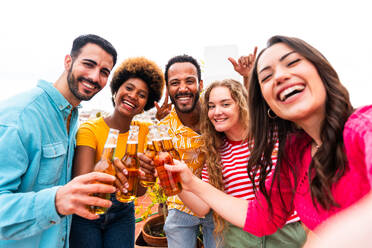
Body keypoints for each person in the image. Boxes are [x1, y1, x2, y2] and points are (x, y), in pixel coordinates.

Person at [165, 35, 372, 237]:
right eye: (266, 77)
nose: (280, 76)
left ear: (321, 69)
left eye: (292, 62)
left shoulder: (362, 126)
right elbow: (261, 217)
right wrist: (189, 181)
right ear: (267, 102)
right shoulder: (293, 153)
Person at [0, 34, 119, 247]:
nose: (94, 77)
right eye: (88, 64)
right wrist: (56, 201)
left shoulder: (71, 117)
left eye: (104, 72)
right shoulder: (19, 117)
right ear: (68, 61)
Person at [177, 78, 306, 247]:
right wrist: (175, 182)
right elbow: (202, 208)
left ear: (242, 105)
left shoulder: (272, 136)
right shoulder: (215, 153)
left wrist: (251, 77)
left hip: (285, 234)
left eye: (225, 104)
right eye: (211, 106)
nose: (216, 112)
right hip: (240, 238)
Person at [69, 57, 164, 248]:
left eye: (142, 94)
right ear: (116, 90)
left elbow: (139, 191)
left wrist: (146, 177)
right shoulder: (90, 129)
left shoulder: (144, 131)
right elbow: (82, 183)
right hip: (88, 212)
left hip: (122, 213)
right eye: (128, 88)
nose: (133, 96)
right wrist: (114, 175)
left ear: (146, 103)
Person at [139, 54, 219, 248]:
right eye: (175, 83)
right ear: (168, 88)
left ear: (200, 85)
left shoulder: (216, 116)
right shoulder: (162, 128)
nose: (183, 88)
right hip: (180, 203)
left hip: (218, 202)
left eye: (189, 81)